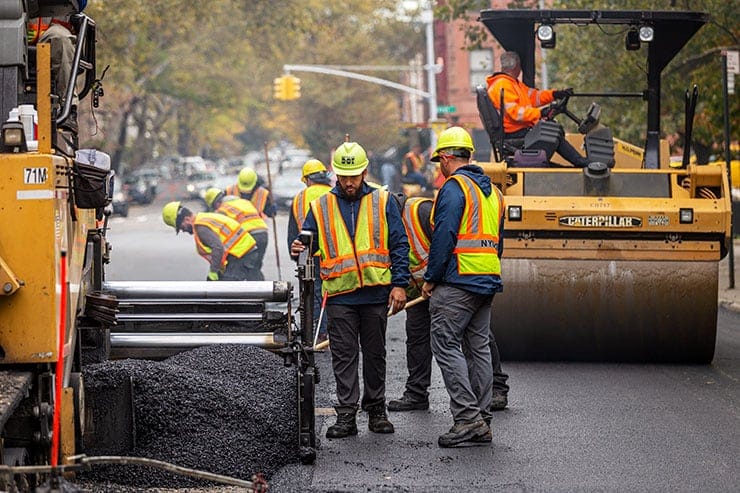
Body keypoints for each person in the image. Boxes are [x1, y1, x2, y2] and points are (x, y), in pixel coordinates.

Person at [290, 141, 410, 439]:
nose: (349, 183)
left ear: (364, 172)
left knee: (374, 355)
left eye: (354, 177)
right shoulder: (320, 206)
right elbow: (310, 243)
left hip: (375, 293)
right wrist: (299, 249)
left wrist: (399, 284)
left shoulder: (383, 201)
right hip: (340, 295)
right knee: (343, 356)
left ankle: (377, 411)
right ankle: (346, 416)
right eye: (343, 177)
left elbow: (399, 244)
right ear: (335, 174)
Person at [421, 126, 504, 448]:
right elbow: (498, 241)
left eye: (438, 161)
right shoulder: (492, 192)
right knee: (478, 347)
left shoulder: (454, 188)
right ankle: (481, 418)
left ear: (445, 157)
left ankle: (468, 419)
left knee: (445, 344)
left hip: (458, 281)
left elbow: (444, 237)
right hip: (486, 280)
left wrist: (431, 278)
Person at [388, 193, 510, 413]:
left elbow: (447, 242)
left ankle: (497, 388)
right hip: (419, 290)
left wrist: (437, 279)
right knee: (416, 337)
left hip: (447, 284)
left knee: (473, 337)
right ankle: (416, 393)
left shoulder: (420, 212)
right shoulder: (384, 224)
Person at [486, 51, 589, 167]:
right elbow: (515, 113)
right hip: (515, 133)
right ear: (516, 65)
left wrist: (555, 94)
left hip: (518, 130)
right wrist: (540, 112)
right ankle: (580, 162)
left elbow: (535, 96)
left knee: (554, 130)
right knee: (553, 132)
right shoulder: (503, 85)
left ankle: (576, 164)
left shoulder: (513, 84)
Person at [287, 159, 333, 341]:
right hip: (335, 253)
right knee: (333, 292)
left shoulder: (299, 198)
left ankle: (318, 332)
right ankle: (333, 331)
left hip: (310, 254)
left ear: (306, 179)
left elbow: (293, 232)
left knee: (313, 292)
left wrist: (295, 255)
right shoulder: (334, 193)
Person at [161, 201, 262, 281]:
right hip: (242, 253)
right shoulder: (203, 218)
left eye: (181, 227)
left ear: (187, 219)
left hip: (242, 255)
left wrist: (213, 272)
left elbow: (218, 248)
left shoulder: (200, 227)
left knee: (228, 290)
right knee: (231, 284)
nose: (183, 230)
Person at [27, 0, 87, 133]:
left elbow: (80, 3)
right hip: (10, 35)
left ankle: (68, 110)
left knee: (60, 39)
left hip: (50, 38)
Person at [204, 187, 269, 281]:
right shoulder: (243, 201)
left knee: (242, 267)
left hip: (248, 237)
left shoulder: (222, 210)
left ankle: (241, 289)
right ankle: (262, 291)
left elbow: (223, 235)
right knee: (255, 266)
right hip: (263, 233)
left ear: (216, 203)